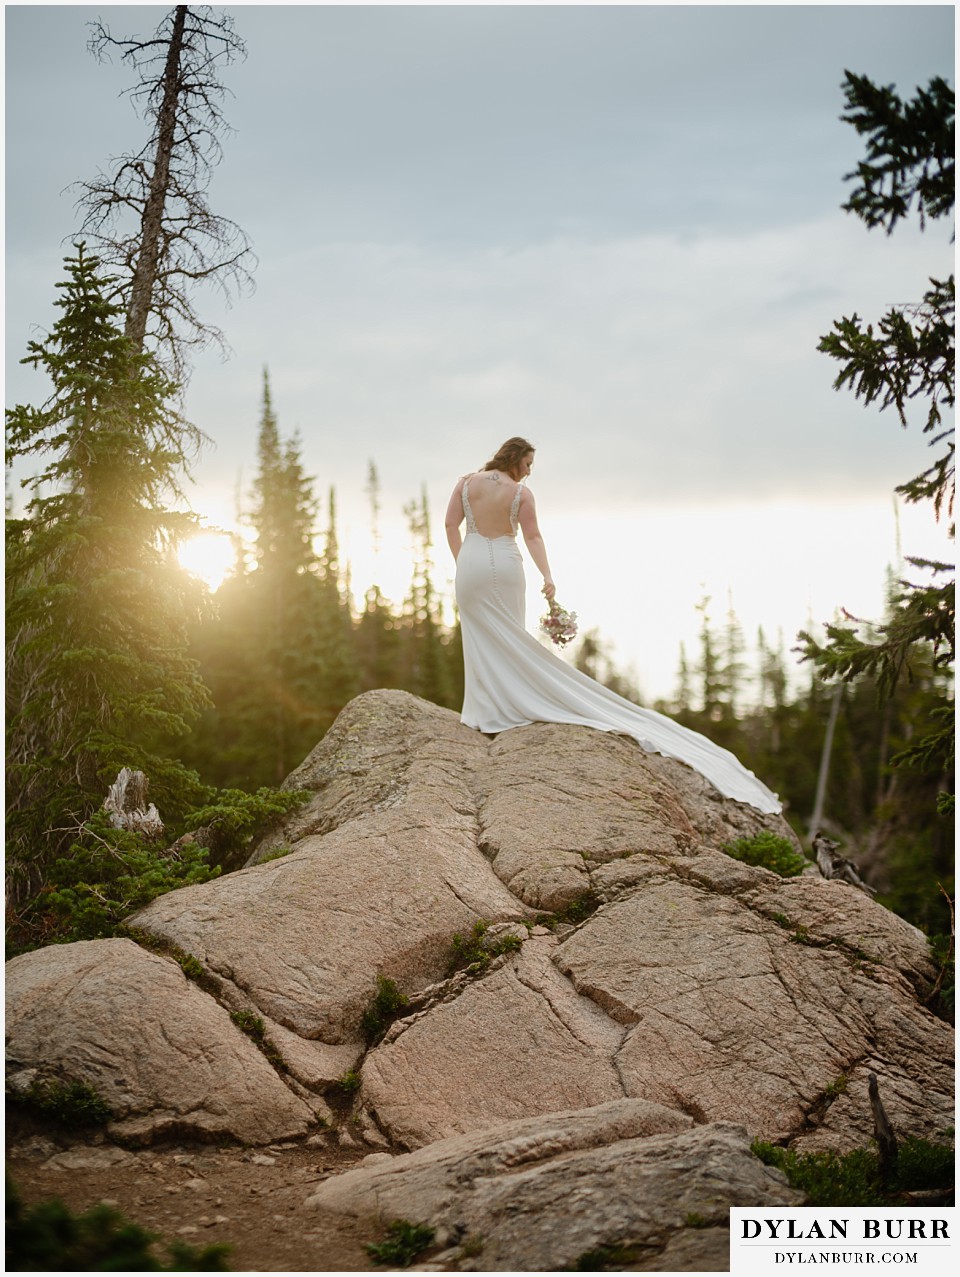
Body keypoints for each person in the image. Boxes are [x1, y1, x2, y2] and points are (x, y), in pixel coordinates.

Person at [444, 437, 781, 815]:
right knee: (512, 638)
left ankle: (485, 708)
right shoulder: (521, 493)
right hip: (506, 564)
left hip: (471, 564)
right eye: (527, 463)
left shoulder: (465, 483)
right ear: (513, 458)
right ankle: (509, 704)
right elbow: (534, 536)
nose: (528, 470)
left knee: (482, 635)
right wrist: (548, 576)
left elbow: (450, 525)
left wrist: (464, 561)